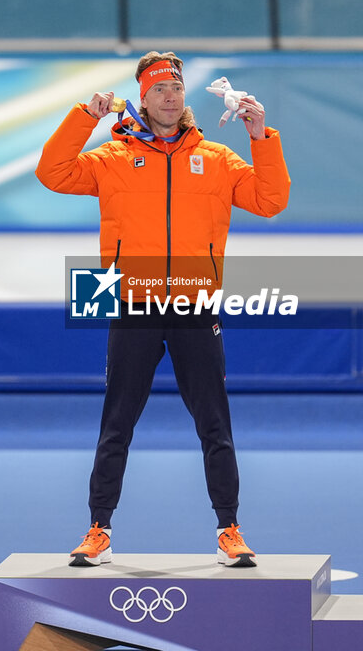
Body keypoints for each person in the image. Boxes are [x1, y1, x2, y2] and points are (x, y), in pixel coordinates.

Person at [36, 51, 290, 568]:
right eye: (159, 89)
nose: (170, 96)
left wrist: (261, 137)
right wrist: (85, 117)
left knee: (215, 424)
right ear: (143, 99)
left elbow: (271, 200)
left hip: (196, 305)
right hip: (131, 302)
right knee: (117, 424)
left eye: (176, 87)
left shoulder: (217, 159)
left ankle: (229, 529)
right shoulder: (112, 157)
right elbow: (52, 173)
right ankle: (99, 529)